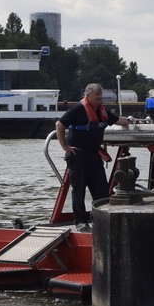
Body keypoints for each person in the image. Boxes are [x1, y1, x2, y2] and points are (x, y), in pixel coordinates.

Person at [56, 83, 131, 227]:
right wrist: (64, 146)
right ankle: (80, 221)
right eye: (97, 96)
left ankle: (102, 221)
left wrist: (130, 121)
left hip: (94, 156)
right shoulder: (78, 109)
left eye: (101, 96)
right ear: (88, 96)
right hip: (78, 156)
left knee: (101, 191)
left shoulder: (102, 111)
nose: (99, 99)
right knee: (79, 190)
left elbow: (117, 120)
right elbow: (59, 124)